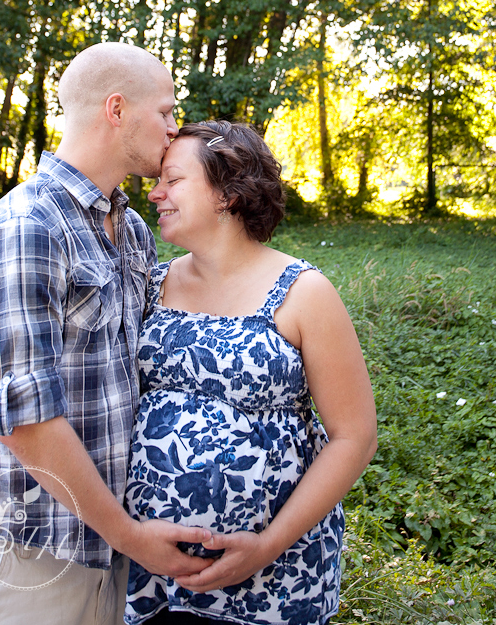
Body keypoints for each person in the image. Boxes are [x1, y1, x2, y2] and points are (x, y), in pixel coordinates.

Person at [0, 43, 213, 625]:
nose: (174, 128)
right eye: (165, 112)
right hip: (25, 553)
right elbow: (27, 421)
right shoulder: (26, 229)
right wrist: (132, 536)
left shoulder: (134, 230)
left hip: (108, 551)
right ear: (116, 109)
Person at [124, 121, 378, 625]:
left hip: (273, 578)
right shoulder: (149, 284)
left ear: (227, 191)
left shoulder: (304, 292)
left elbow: (355, 437)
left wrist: (266, 545)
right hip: (152, 579)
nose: (154, 194)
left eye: (172, 180)